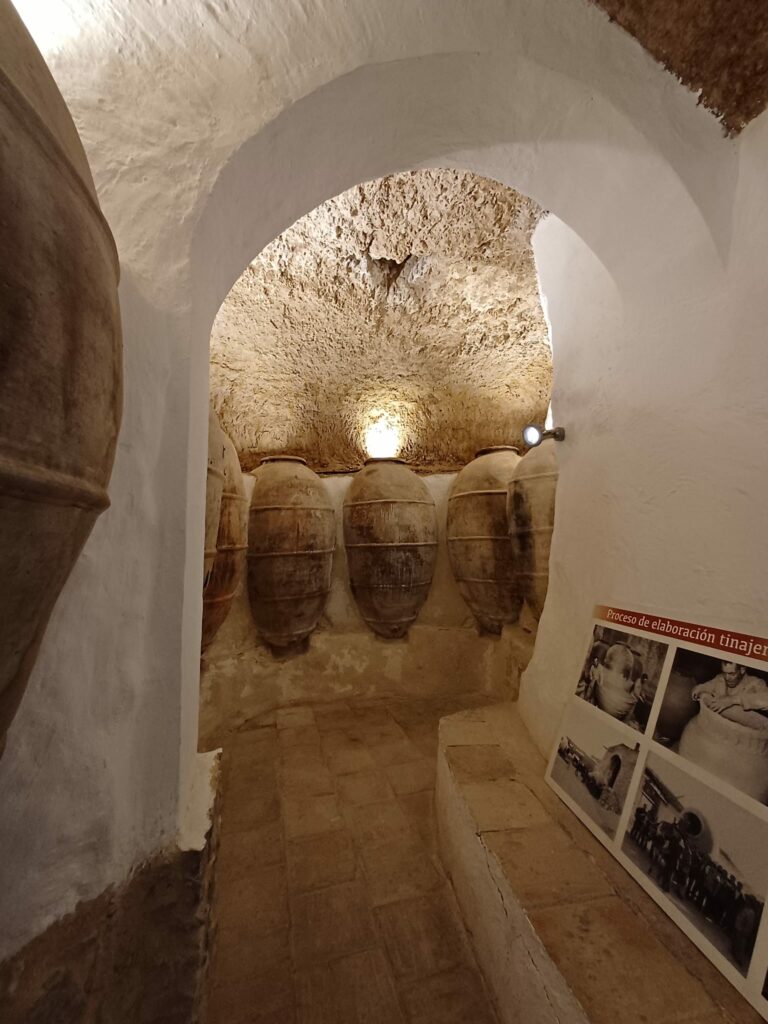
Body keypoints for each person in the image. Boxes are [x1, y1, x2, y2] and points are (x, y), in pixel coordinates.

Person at [692, 661, 768, 715]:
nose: (727, 678)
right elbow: (704, 686)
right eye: (724, 673)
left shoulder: (756, 683)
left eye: (732, 674)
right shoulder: (720, 678)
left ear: (742, 670)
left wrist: (731, 700)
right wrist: (698, 690)